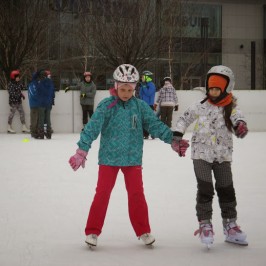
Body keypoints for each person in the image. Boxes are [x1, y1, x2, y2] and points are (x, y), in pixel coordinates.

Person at [68, 64, 188, 248]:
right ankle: (92, 231)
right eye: (122, 89)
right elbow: (92, 127)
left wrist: (172, 139)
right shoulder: (107, 105)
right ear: (115, 87)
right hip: (109, 159)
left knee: (137, 194)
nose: (125, 93)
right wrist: (82, 150)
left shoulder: (139, 106)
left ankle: (143, 231)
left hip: (132, 159)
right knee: (102, 194)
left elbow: (155, 125)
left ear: (135, 89)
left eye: (129, 89)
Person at [173, 65, 249, 247]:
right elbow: (184, 118)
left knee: (226, 189)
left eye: (217, 89)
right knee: (206, 189)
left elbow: (238, 118)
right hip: (201, 154)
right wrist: (177, 134)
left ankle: (230, 225)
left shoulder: (231, 107)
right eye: (211, 88)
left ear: (226, 89)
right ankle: (205, 224)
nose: (213, 92)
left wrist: (240, 126)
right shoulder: (200, 106)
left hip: (223, 156)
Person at [35, 70, 55, 139]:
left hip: (41, 103)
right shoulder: (51, 82)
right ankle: (48, 133)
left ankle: (41, 133)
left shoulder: (40, 82)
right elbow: (52, 93)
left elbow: (37, 91)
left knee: (41, 118)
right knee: (48, 118)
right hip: (48, 103)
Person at [139, 70, 156, 139]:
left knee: (149, 120)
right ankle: (145, 134)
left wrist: (144, 87)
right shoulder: (144, 85)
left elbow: (148, 93)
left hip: (149, 105)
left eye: (143, 77)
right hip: (143, 105)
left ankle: (153, 133)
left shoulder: (151, 85)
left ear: (147, 77)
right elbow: (141, 95)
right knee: (143, 120)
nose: (141, 78)